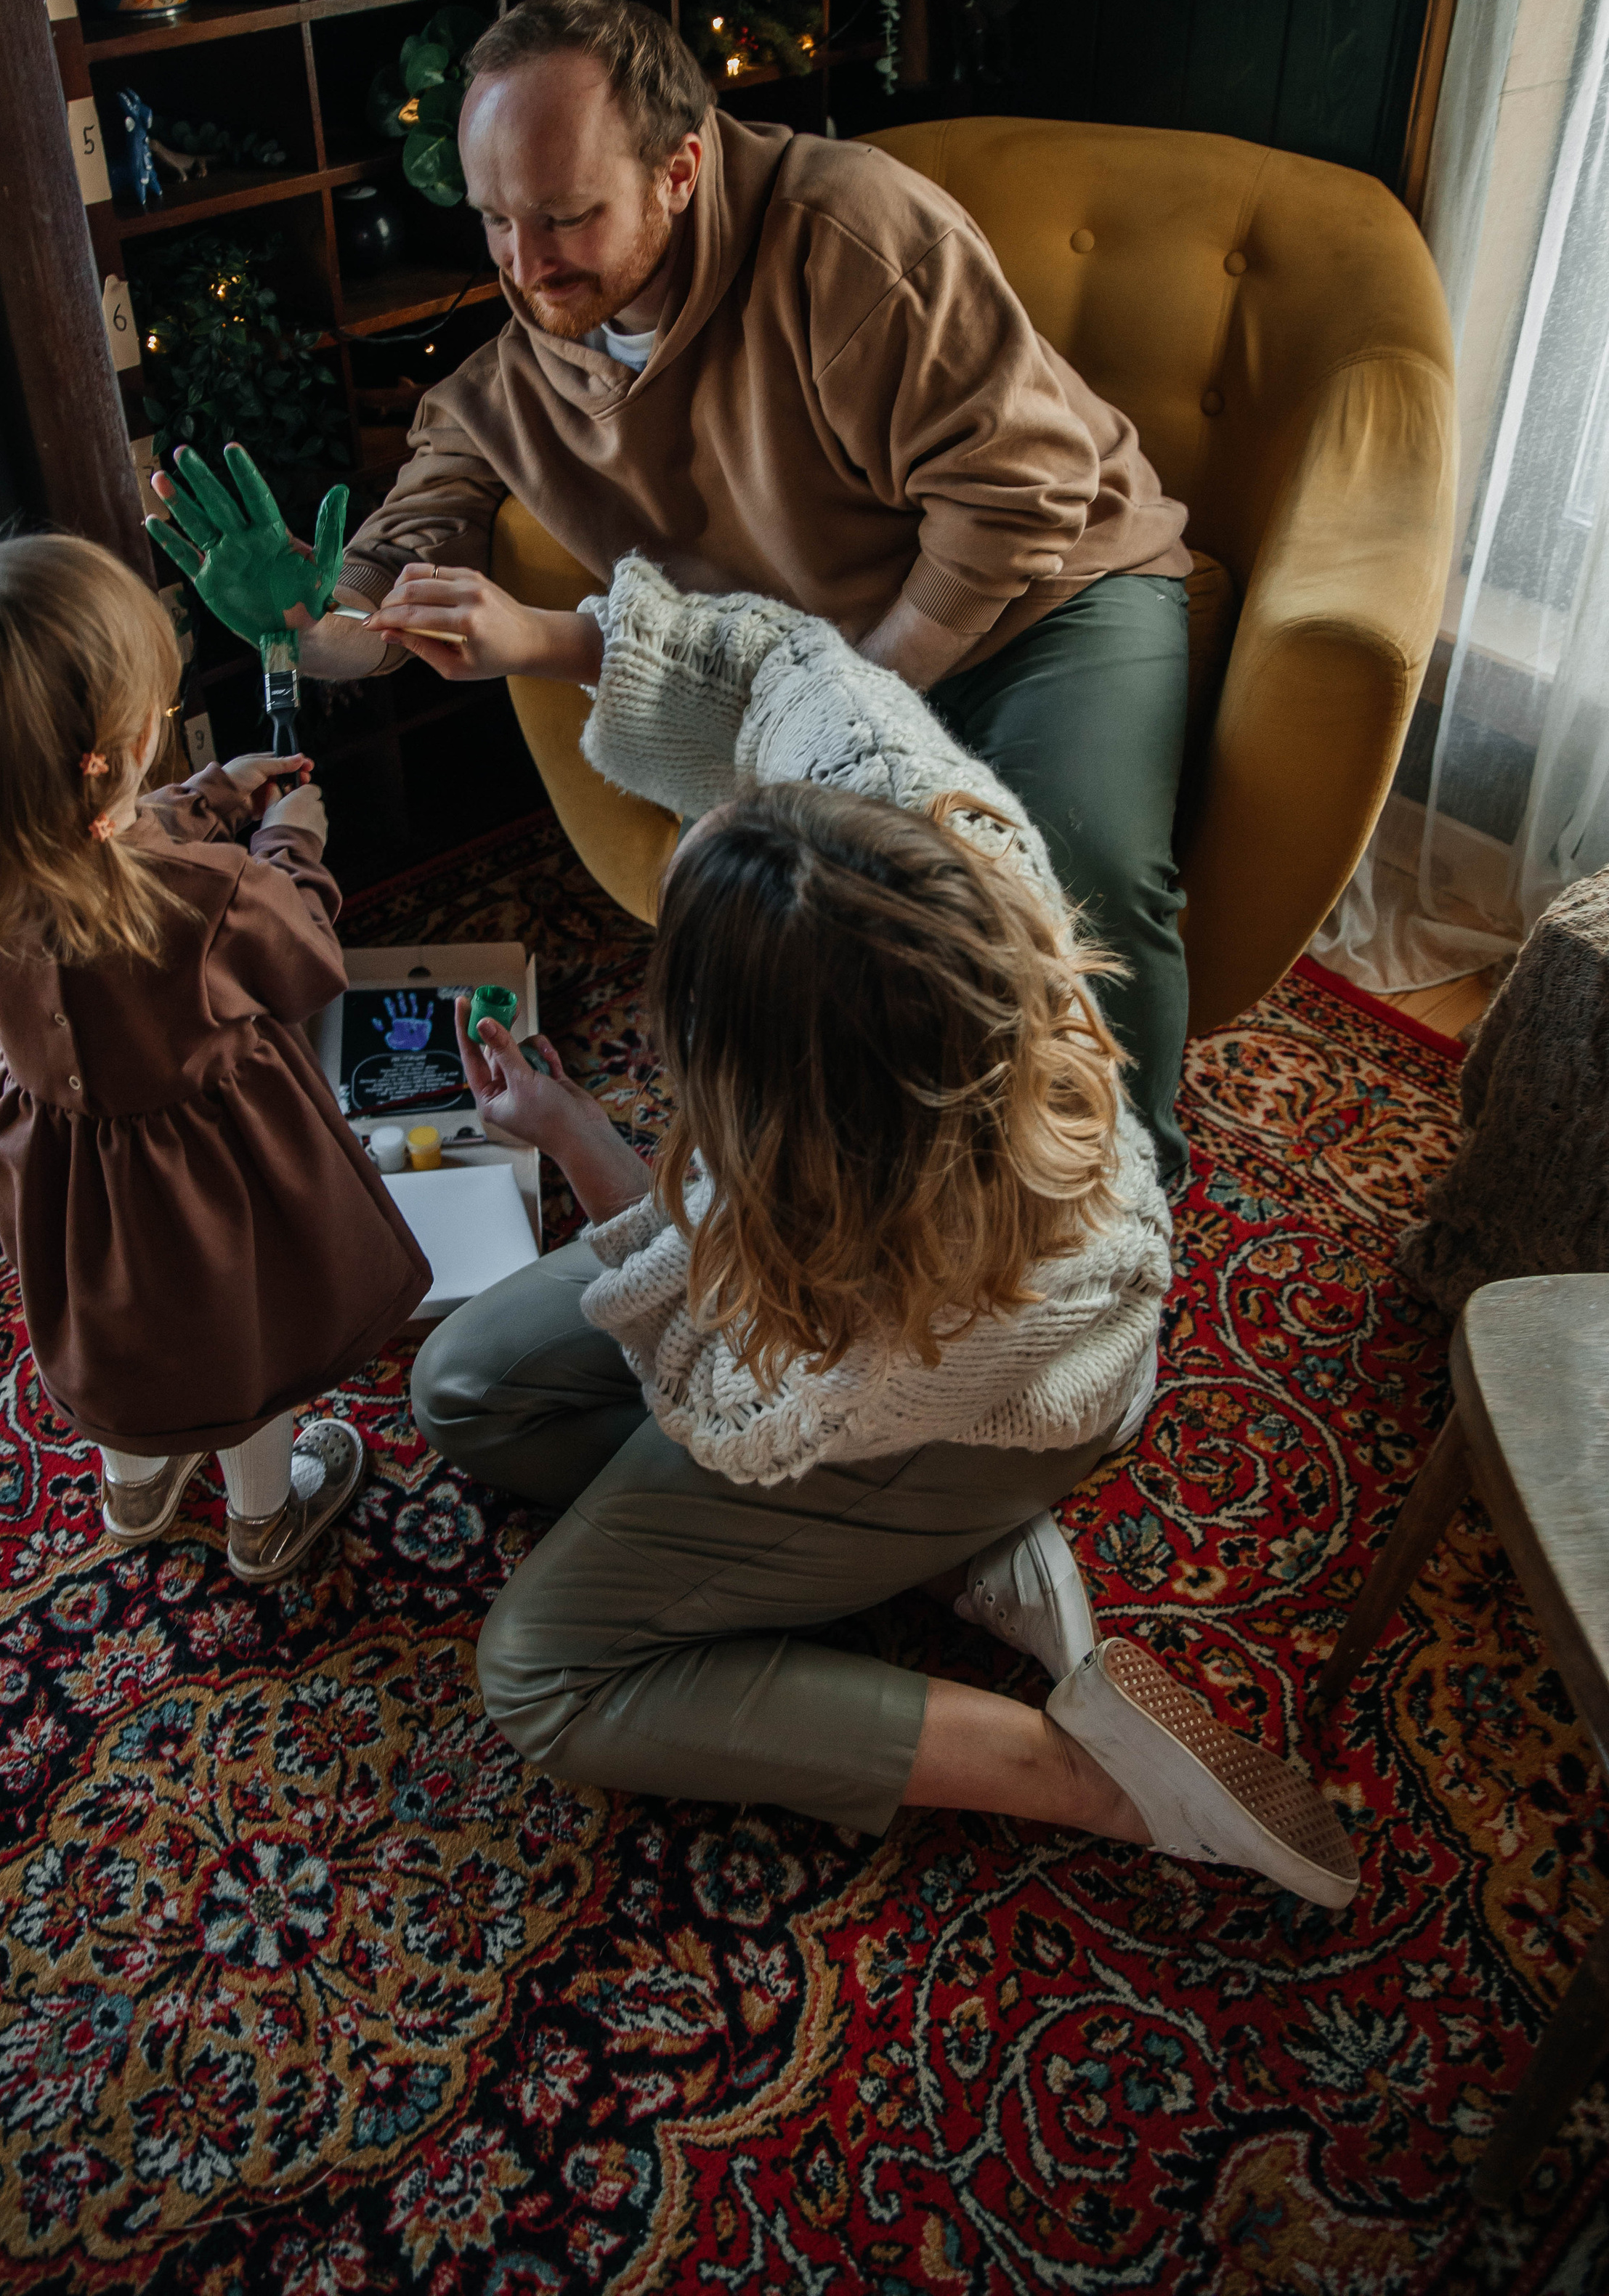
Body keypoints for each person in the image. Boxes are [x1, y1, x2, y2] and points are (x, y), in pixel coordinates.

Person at [371, 552, 1355, 1910]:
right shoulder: (915, 824)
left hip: (972, 1401)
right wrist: (540, 633)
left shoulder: (900, 1286)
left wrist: (589, 1148)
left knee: (537, 1672)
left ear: (783, 1108)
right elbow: (780, 662)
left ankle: (1075, 1765)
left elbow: (723, 1390)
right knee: (463, 1390)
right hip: (859, 1329)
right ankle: (918, 1552)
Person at [270, 0, 1194, 1180]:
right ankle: (907, 1197)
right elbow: (405, 552)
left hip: (1054, 591)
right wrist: (314, 629)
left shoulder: (852, 237)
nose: (524, 265)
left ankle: (1132, 1194)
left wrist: (847, 708)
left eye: (564, 216)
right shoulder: (517, 365)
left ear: (681, 168)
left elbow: (1020, 490)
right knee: (799, 936)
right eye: (495, 221)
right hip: (818, 658)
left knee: (1080, 872)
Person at [0, 534, 429, 1582]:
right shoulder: (211, 897)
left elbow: (103, 849)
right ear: (114, 751)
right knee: (243, 1347)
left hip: (72, 1173)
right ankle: (265, 1515)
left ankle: (134, 1486)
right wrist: (288, 846)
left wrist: (211, 795)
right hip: (211, 1174)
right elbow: (305, 963)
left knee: (125, 1340)